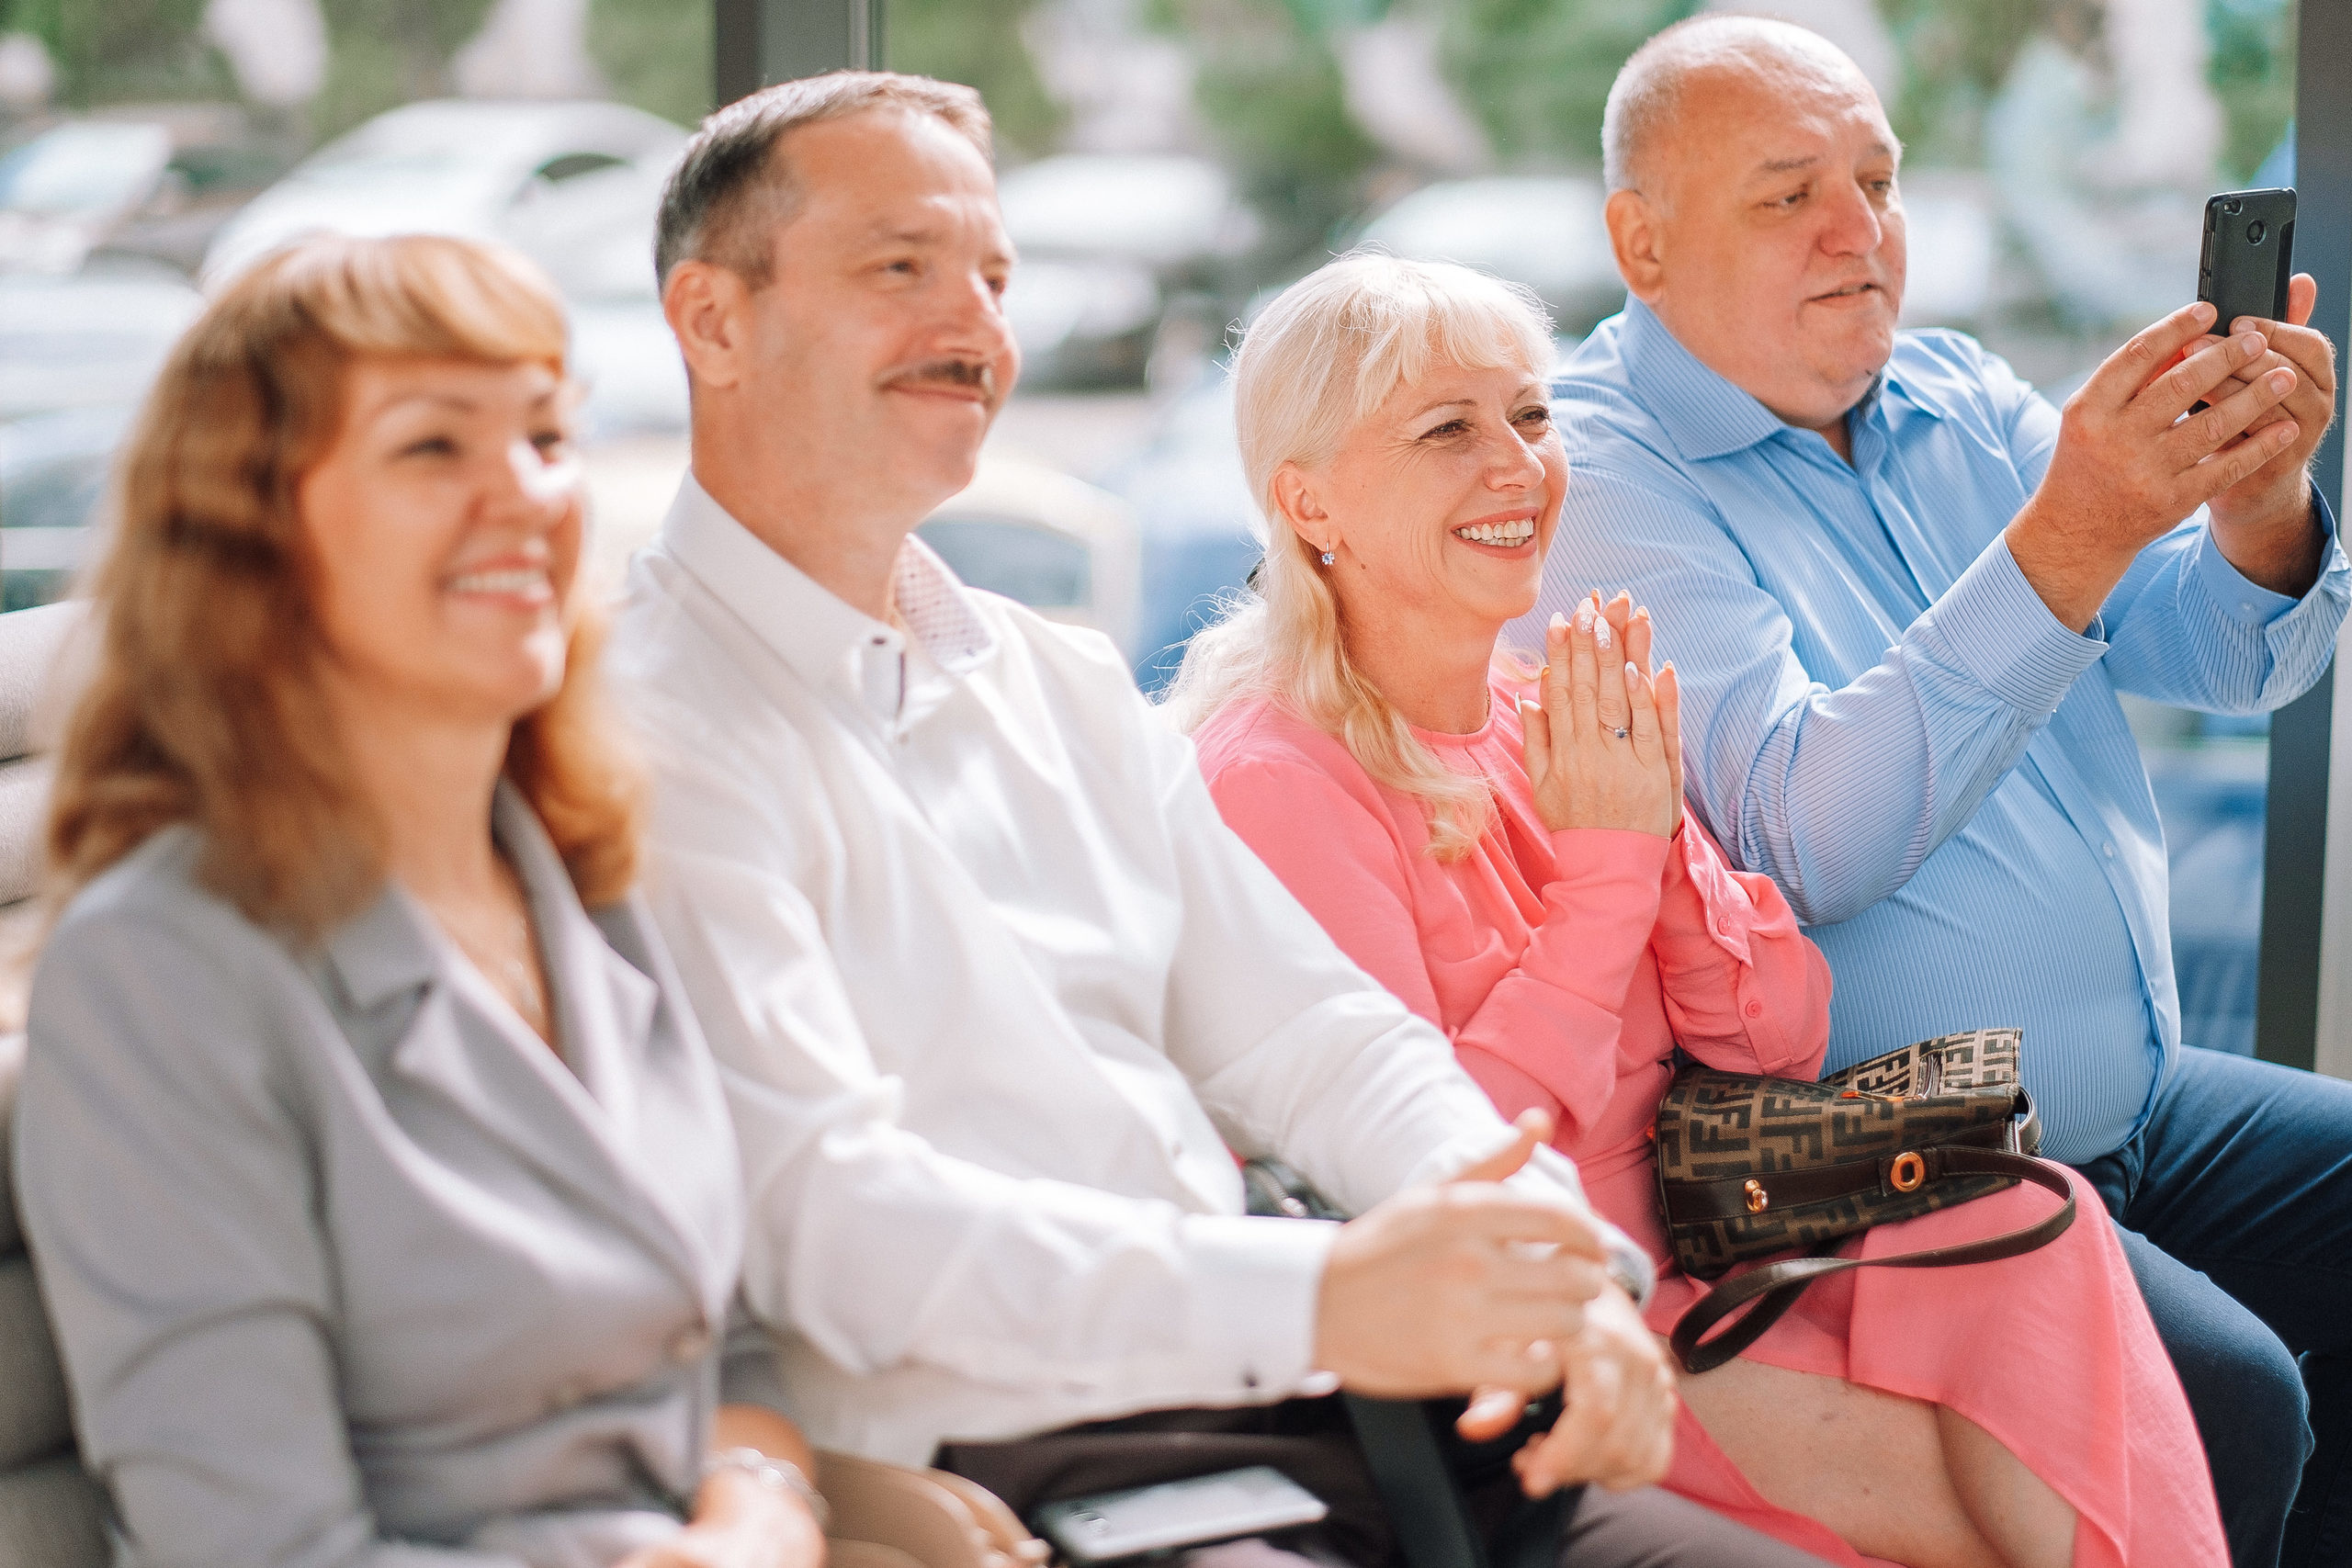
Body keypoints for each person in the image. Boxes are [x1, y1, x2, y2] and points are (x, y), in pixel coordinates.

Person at [612, 70, 1825, 1567]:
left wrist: (1563, 1276)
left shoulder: (1050, 677)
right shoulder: (642, 726)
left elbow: (1320, 1038)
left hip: (1328, 1403)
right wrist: (1324, 1302)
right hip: (1022, 1463)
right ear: (711, 322)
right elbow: (831, 1225)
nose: (975, 322)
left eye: (992, 273)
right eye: (898, 266)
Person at [1170, 250, 2226, 1568]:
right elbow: (1441, 1169)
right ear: (1308, 502)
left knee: (2025, 1218)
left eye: (1533, 415)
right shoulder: (1273, 783)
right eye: (1449, 428)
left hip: (1719, 1228)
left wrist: (1664, 853)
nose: (1518, 464)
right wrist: (1611, 868)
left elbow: (1770, 1045)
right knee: (2024, 1503)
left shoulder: (1541, 705)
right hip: (1561, 1310)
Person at [1521, 16, 2352, 1568]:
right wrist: (2076, 533)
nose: (1860, 233)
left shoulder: (1958, 397)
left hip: (2131, 1101)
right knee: (2236, 1401)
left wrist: (2258, 498)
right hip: (1890, 1162)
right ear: (1643, 241)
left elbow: (2232, 659)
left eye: (1880, 180)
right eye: (1788, 196)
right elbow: (1803, 830)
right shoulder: (1596, 476)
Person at [14, 234, 823, 1568]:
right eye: (434, 447)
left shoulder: (573, 878)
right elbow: (257, 1552)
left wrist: (759, 1513)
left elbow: (723, 1343)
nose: (525, 495)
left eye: (548, 435)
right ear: (251, 533)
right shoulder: (163, 970)